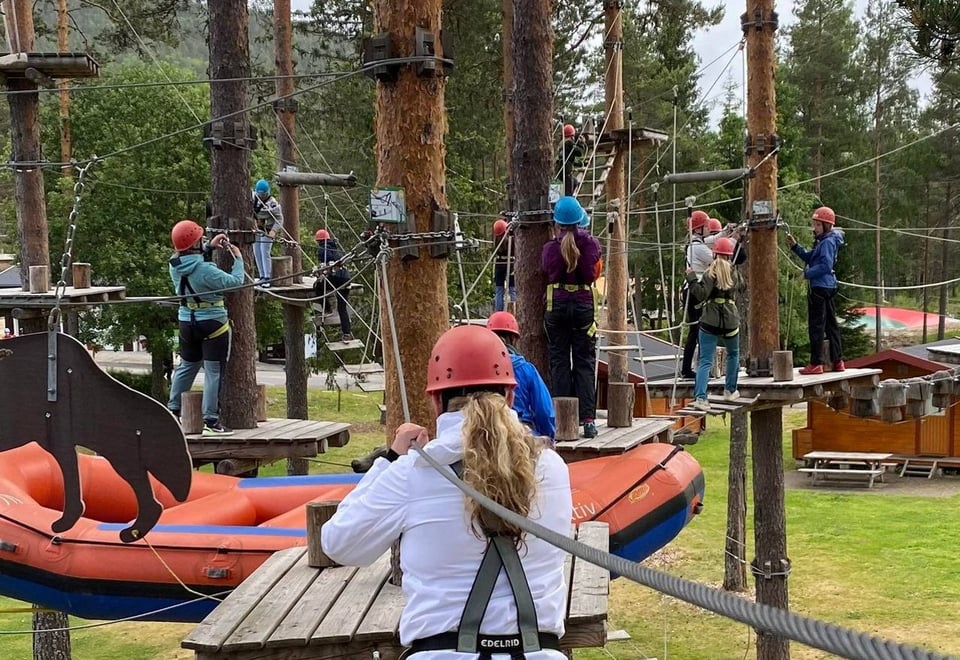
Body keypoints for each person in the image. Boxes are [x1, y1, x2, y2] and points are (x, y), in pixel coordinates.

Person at [321, 325, 572, 660]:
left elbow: (339, 544)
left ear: (436, 401)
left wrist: (391, 459)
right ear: (511, 396)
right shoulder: (552, 468)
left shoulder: (413, 472)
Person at [166, 219, 244, 436]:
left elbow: (192, 262)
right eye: (200, 240)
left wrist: (209, 247)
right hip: (212, 323)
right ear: (194, 244)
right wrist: (238, 258)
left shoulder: (174, 265)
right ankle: (211, 420)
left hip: (186, 322)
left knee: (187, 366)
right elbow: (236, 282)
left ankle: (173, 411)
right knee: (213, 372)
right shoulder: (206, 270)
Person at [542, 196, 601, 439]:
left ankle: (562, 419)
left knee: (559, 361)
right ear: (579, 221)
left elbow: (547, 271)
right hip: (583, 306)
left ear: (557, 223)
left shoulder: (550, 249)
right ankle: (588, 421)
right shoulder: (591, 245)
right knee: (584, 362)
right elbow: (593, 272)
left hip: (556, 306)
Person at [787, 205, 845, 374]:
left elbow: (825, 265)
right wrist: (796, 247)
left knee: (817, 326)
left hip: (819, 287)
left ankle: (816, 362)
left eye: (818, 225)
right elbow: (811, 257)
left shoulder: (827, 242)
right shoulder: (826, 241)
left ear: (827, 226)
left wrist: (806, 274)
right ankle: (838, 361)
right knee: (831, 325)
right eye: (815, 224)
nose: (815, 228)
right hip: (828, 286)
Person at [687, 237, 742, 412]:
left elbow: (700, 294)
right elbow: (742, 287)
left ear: (714, 254)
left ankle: (701, 398)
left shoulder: (709, 273)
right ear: (729, 255)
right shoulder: (734, 273)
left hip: (710, 321)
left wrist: (691, 278)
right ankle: (730, 390)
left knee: (705, 361)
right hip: (730, 320)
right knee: (733, 354)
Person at [487, 311, 556, 440]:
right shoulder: (526, 370)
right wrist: (548, 438)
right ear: (514, 339)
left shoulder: (481, 371)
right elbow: (544, 411)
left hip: (490, 437)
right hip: (523, 434)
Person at [680, 210, 714, 379]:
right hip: (696, 291)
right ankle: (698, 368)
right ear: (698, 229)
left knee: (696, 330)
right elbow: (716, 258)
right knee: (699, 330)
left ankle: (689, 368)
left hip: (692, 290)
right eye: (706, 226)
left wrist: (727, 233)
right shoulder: (698, 248)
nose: (709, 229)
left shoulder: (695, 243)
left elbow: (711, 239)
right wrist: (733, 241)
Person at [314, 228, 353, 342]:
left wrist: (320, 275)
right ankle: (347, 334)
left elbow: (325, 267)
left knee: (318, 287)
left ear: (319, 241)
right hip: (346, 279)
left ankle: (327, 309)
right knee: (342, 308)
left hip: (335, 278)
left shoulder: (322, 249)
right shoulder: (337, 249)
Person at [252, 178, 283, 287]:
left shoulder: (272, 203)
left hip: (267, 229)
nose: (261, 196)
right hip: (256, 228)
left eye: (263, 194)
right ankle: (261, 276)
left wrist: (274, 230)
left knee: (264, 251)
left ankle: (267, 277)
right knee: (256, 252)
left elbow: (279, 219)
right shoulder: (253, 198)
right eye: (260, 194)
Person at [492, 218, 516, 312]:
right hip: (510, 264)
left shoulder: (496, 240)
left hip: (499, 264)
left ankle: (499, 311)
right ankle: (515, 310)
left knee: (499, 290)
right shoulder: (510, 239)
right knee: (512, 289)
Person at [556, 124, 584, 197]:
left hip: (559, 170)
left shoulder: (561, 144)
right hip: (566, 172)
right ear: (572, 136)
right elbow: (579, 153)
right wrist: (581, 143)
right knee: (568, 192)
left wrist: (578, 163)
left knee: (575, 182)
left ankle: (563, 199)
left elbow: (567, 158)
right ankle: (568, 201)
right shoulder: (569, 143)